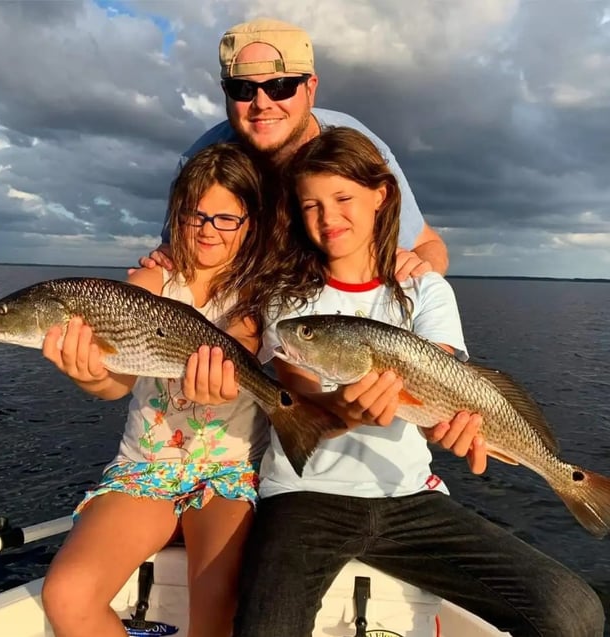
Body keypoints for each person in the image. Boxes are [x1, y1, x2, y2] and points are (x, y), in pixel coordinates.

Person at [225, 127, 604, 636]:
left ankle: (567, 478)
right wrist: (347, 411)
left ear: (382, 196)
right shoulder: (289, 302)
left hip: (412, 498)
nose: (328, 217)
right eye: (311, 205)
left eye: (343, 198)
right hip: (304, 496)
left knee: (575, 612)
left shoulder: (426, 289)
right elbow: (302, 401)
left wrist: (451, 430)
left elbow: (443, 387)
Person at [40, 143, 272, 637]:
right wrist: (88, 372)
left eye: (226, 218)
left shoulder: (261, 294)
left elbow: (243, 346)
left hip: (226, 471)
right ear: (177, 216)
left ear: (249, 222)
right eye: (196, 214)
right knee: (66, 595)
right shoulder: (149, 280)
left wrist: (220, 378)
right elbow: (115, 384)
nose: (209, 229)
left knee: (215, 605)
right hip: (145, 467)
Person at [139, 17, 448, 281]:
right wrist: (164, 260)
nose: (262, 103)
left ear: (310, 88)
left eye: (280, 86)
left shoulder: (355, 149)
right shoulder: (201, 162)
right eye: (243, 89)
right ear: (225, 94)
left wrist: (420, 274)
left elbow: (427, 245)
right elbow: (175, 254)